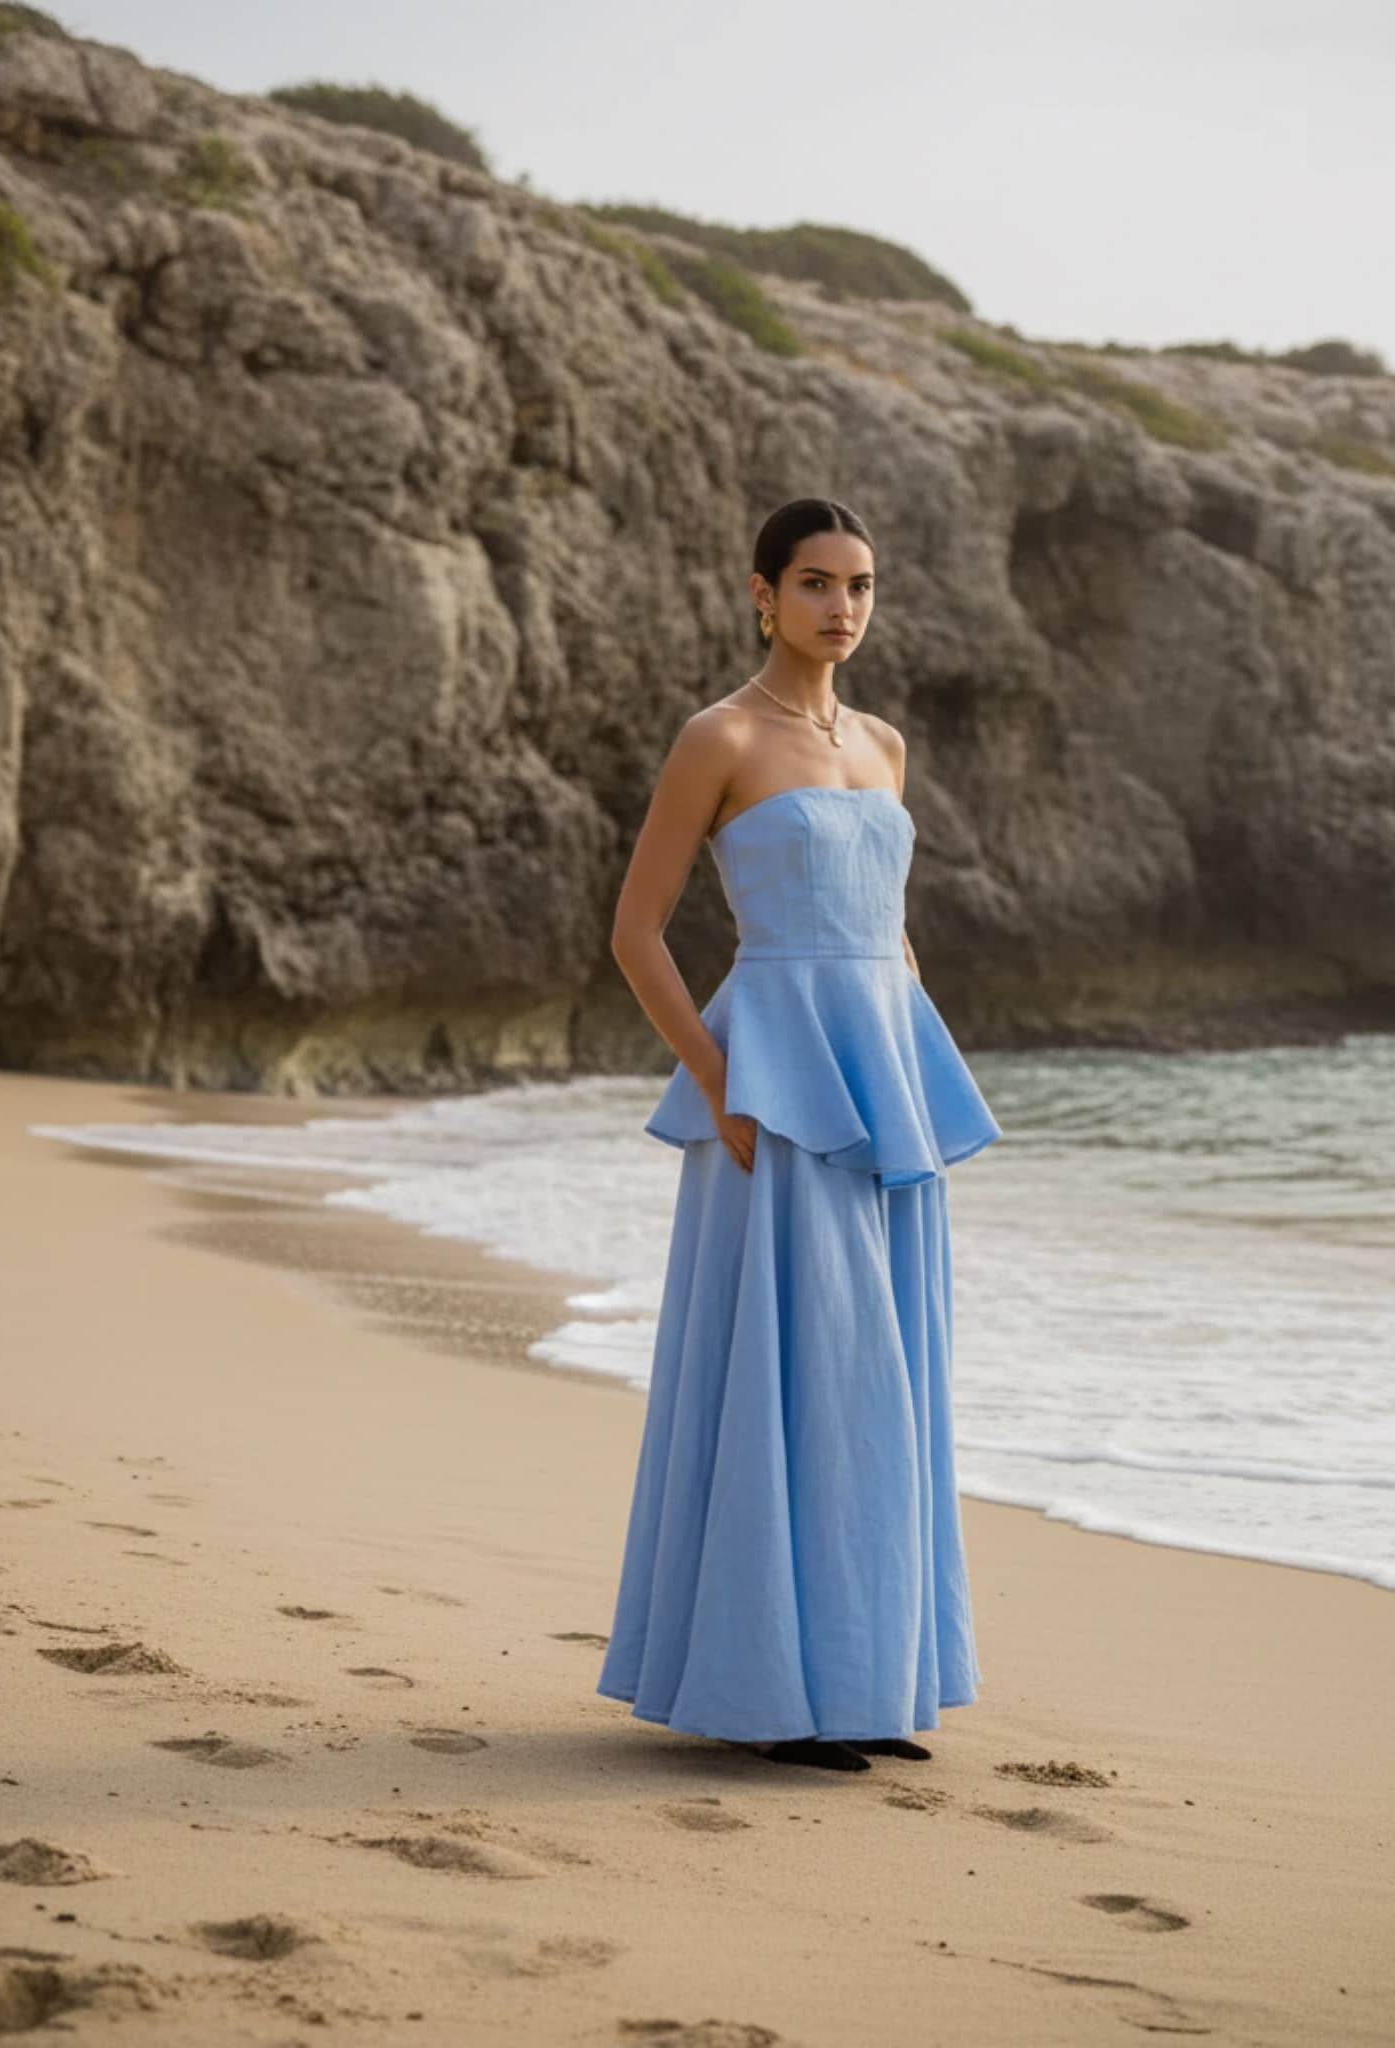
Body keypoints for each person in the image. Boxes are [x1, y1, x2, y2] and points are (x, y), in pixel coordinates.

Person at [596, 497, 1002, 1774]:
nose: (842, 607)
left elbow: (886, 924)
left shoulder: (882, 745)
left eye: (862, 585)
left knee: (885, 1377)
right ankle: (778, 1691)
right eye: (816, 583)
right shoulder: (716, 736)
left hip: (882, 1071)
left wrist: (915, 1070)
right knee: (805, 1372)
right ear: (762, 593)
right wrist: (716, 1082)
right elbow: (636, 931)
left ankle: (871, 1682)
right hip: (772, 1078)